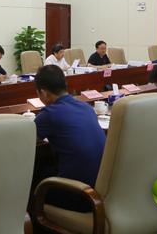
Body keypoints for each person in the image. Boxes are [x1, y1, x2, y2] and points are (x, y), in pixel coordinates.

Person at [33, 65, 106, 211]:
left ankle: (37, 221)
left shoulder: (49, 113)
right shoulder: (86, 107)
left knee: (33, 181)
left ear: (43, 93)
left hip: (78, 195)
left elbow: (26, 141)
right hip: (100, 190)